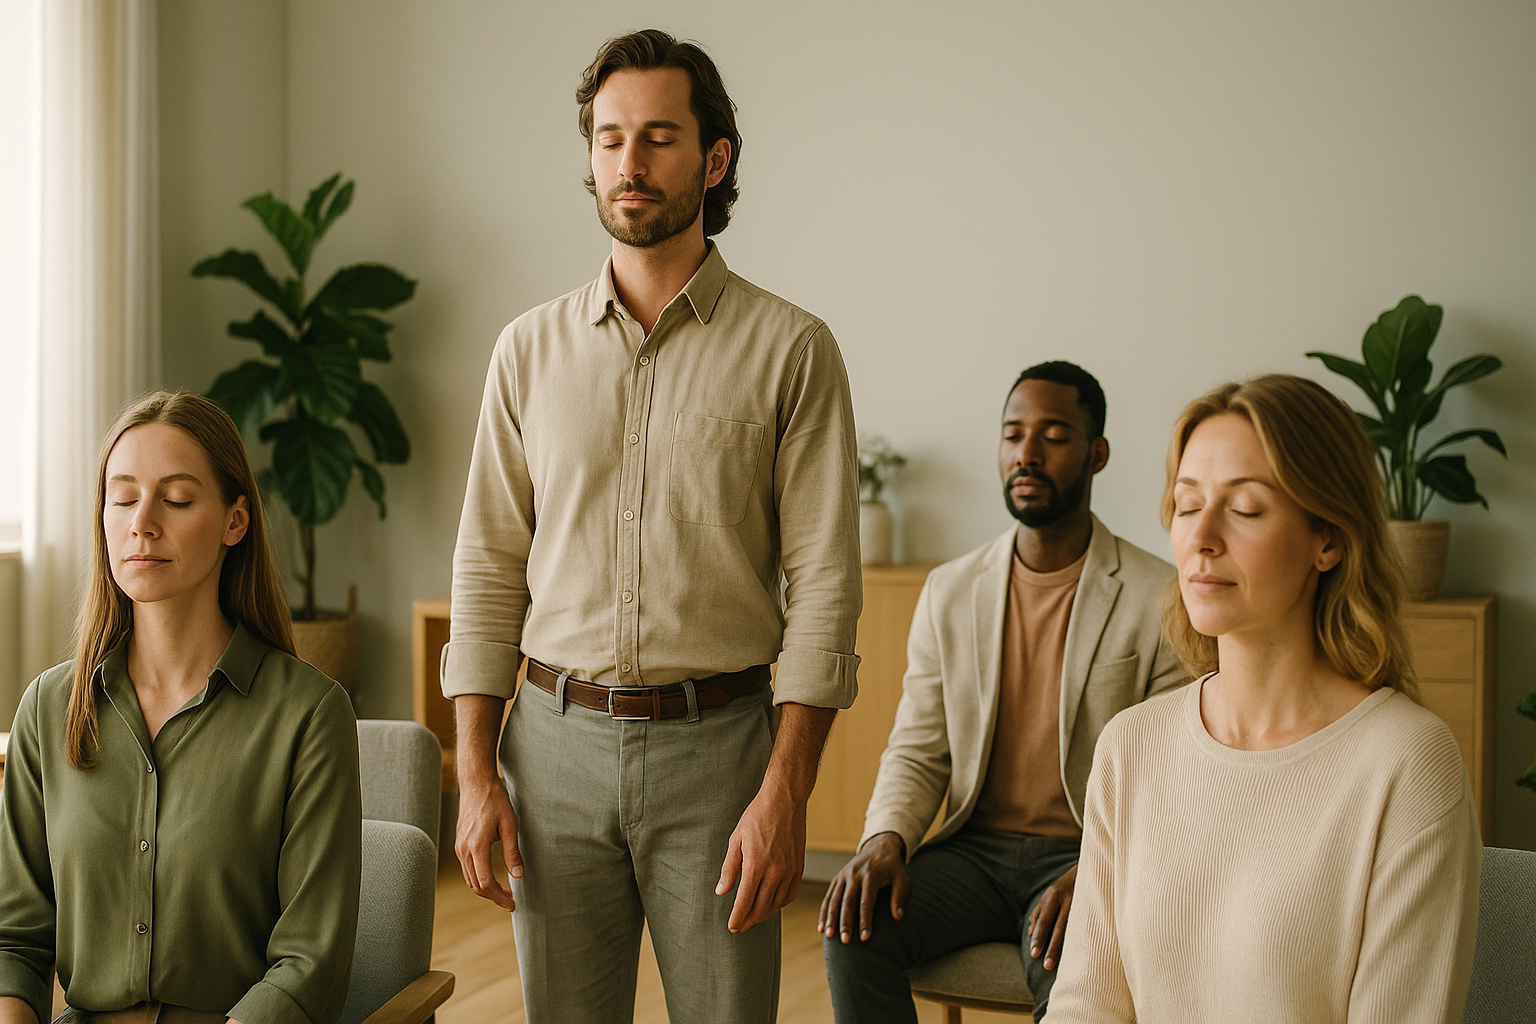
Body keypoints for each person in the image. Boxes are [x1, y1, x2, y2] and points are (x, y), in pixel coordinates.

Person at [443, 29, 861, 1024]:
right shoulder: (525, 351)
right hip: (548, 749)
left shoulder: (792, 350)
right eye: (609, 137)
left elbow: (826, 586)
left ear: (713, 161)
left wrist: (785, 791)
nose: (628, 163)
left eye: (659, 138)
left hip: (719, 753)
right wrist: (473, 773)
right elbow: (487, 564)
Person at [1047, 374, 1482, 1023]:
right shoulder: (1131, 745)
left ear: (1328, 538)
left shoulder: (1407, 764)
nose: (1202, 538)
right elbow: (1086, 1005)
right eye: (1187, 505)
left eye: (1245, 508)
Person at [821, 362, 1189, 1023]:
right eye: (1013, 433)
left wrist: (1105, 872)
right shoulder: (951, 590)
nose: (1028, 452)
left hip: (1085, 849)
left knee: (1076, 959)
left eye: (1054, 434)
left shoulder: (1157, 597)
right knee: (855, 923)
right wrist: (884, 840)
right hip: (976, 852)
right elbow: (918, 746)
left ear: (1096, 453)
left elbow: (1168, 776)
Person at [0, 392, 362, 1024]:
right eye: (123, 496)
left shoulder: (309, 716)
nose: (143, 522)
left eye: (177, 499)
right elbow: (16, 940)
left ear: (235, 521)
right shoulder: (47, 708)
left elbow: (310, 965)